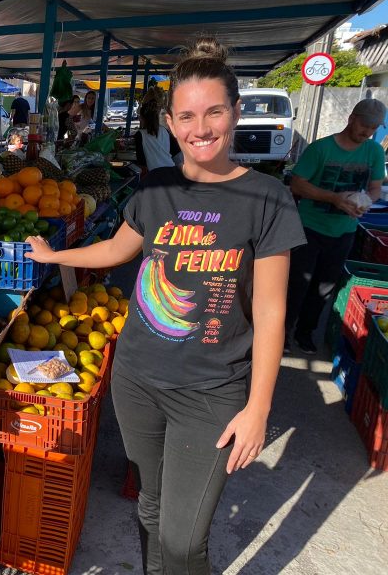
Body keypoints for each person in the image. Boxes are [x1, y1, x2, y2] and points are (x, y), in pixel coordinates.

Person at [25, 37, 306, 575]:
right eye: (187, 116)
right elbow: (117, 249)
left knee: (183, 541)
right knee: (150, 507)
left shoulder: (269, 199)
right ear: (172, 124)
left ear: (236, 113)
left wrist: (260, 408)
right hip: (136, 379)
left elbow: (272, 311)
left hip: (212, 391)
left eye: (214, 112)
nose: (201, 128)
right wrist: (55, 251)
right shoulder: (154, 189)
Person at [285, 98, 387, 354]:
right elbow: (297, 185)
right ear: (352, 118)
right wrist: (334, 198)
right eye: (364, 125)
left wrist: (364, 201)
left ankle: (305, 333)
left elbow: (375, 189)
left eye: (373, 128)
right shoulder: (320, 149)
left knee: (324, 287)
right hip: (309, 227)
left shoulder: (373, 151)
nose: (368, 132)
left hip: (344, 232)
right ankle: (282, 334)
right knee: (297, 285)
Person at [134, 99, 181, 174]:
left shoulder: (140, 135)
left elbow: (141, 161)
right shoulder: (165, 131)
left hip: (155, 175)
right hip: (170, 170)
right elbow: (176, 152)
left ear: (142, 118)